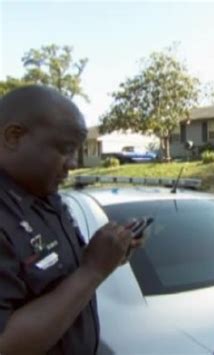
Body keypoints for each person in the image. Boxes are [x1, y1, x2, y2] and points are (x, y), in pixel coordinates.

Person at [0, 85, 140, 354]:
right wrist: (93, 270)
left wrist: (107, 254)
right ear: (13, 136)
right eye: (65, 149)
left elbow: (58, 277)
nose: (73, 164)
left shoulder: (45, 195)